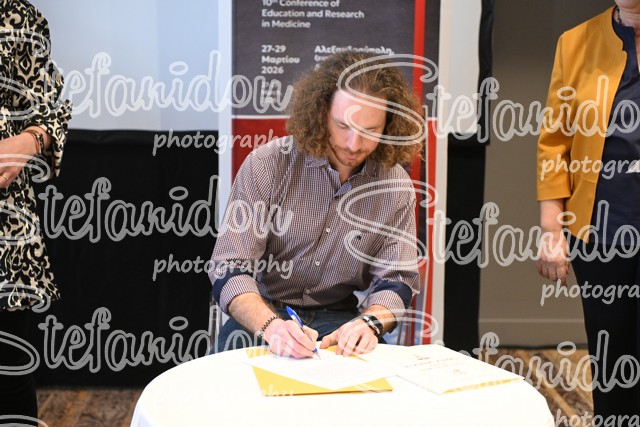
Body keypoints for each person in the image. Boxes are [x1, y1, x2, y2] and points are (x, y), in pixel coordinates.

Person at [209, 51, 423, 359]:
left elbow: (397, 280)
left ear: (390, 127)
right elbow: (229, 268)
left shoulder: (395, 187)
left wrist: (370, 323)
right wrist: (272, 327)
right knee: (224, 386)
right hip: (265, 314)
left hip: (341, 319)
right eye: (343, 125)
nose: (353, 144)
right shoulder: (268, 164)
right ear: (322, 113)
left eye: (370, 131)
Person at [537, 2, 640, 422]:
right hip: (600, 232)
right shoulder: (576, 42)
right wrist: (551, 230)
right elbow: (553, 144)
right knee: (612, 359)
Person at [0, 1, 72, 424]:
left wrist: (30, 140)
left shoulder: (16, 14)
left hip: (6, 231)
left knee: (9, 378)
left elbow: (52, 107)